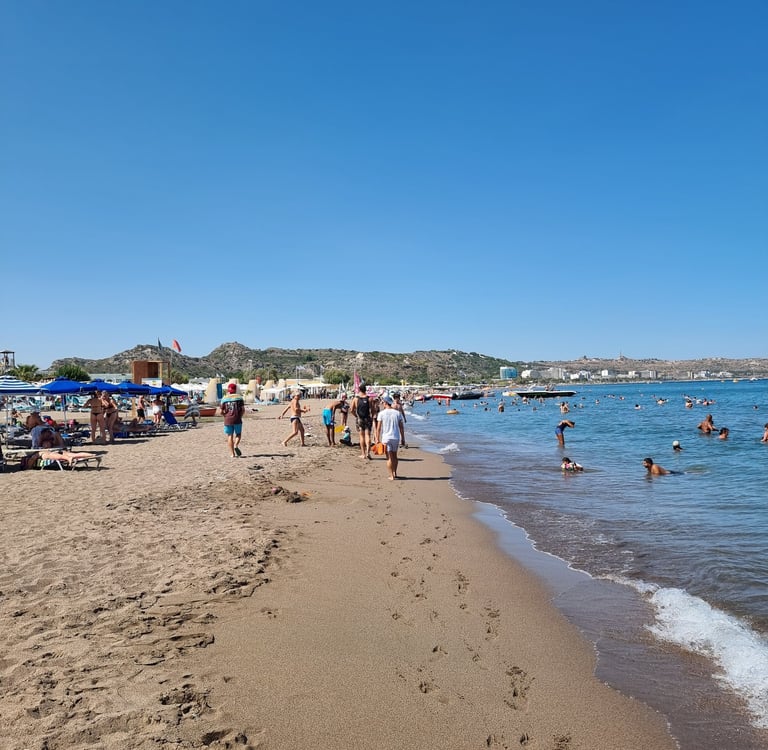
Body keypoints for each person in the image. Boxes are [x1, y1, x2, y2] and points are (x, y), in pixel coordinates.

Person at [377, 395, 405, 480]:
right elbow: (401, 427)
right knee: (395, 456)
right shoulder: (397, 413)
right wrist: (403, 438)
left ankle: (391, 475)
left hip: (386, 438)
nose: (382, 404)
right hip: (395, 437)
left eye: (383, 402)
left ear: (385, 403)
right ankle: (395, 472)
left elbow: (378, 428)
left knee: (389, 457)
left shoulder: (381, 413)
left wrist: (377, 438)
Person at [219, 383, 245, 457]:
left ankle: (232, 454)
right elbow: (243, 410)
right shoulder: (239, 398)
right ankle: (236, 445)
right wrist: (240, 416)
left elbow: (220, 412)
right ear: (235, 389)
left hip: (228, 420)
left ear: (228, 390)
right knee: (238, 434)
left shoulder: (224, 399)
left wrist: (225, 416)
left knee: (230, 435)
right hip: (237, 418)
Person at [350, 384, 373, 459]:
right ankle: (368, 452)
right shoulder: (369, 399)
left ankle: (363, 453)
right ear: (365, 390)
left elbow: (351, 410)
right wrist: (371, 416)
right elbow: (372, 410)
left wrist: (356, 416)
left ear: (359, 390)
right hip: (367, 418)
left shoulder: (355, 399)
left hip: (360, 419)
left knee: (361, 436)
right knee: (368, 435)